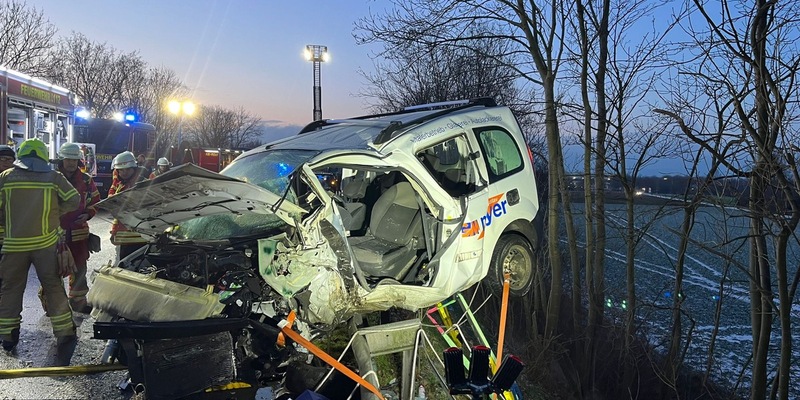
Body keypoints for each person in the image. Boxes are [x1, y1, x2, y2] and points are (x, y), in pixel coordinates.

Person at [0, 139, 80, 355]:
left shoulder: (6, 178)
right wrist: (56, 211)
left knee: (10, 289)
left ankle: (8, 336)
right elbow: (74, 199)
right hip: (46, 244)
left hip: (13, 245)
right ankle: (64, 332)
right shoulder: (53, 177)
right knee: (53, 286)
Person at [54, 143, 101, 313]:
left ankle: (78, 301)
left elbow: (96, 201)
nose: (71, 163)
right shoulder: (52, 177)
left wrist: (88, 213)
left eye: (74, 160)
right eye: (68, 160)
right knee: (52, 269)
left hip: (78, 229)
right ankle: (53, 302)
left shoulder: (87, 180)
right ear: (62, 159)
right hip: (55, 230)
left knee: (80, 266)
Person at [108, 151, 149, 260]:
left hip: (141, 237)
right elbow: (117, 214)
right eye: (121, 170)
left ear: (134, 168)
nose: (124, 172)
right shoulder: (119, 186)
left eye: (127, 169)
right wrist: (114, 231)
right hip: (124, 238)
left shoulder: (144, 184)